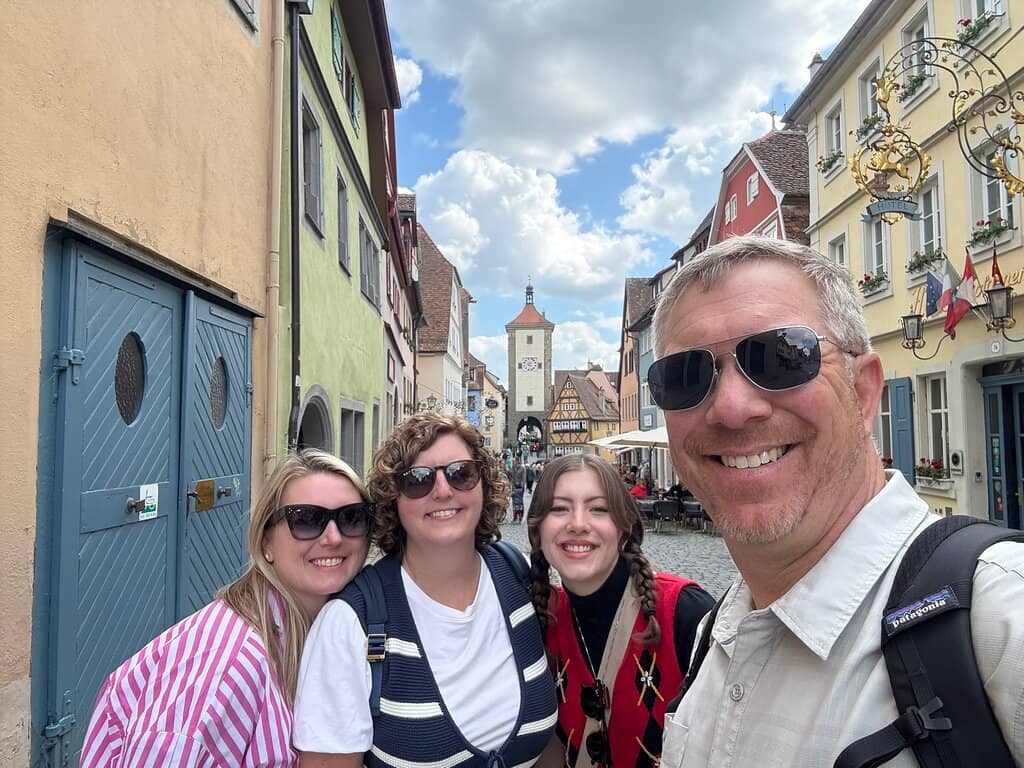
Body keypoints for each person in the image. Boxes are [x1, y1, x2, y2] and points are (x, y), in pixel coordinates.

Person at [648, 235, 1024, 766]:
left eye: (782, 357)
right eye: (685, 377)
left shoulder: (1000, 619)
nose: (731, 408)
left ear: (864, 392)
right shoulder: (716, 631)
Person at [293, 412, 558, 767]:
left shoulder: (517, 576)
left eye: (461, 473)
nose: (443, 490)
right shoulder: (351, 622)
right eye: (418, 480)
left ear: (483, 483)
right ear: (394, 500)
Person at [80, 450, 373, 767]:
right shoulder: (229, 661)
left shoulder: (320, 633)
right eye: (305, 520)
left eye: (351, 518)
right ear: (266, 543)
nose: (333, 537)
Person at [527, 453, 714, 768]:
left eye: (598, 509)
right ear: (538, 531)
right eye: (559, 509)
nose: (577, 524)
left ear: (624, 529)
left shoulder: (684, 614)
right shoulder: (544, 620)